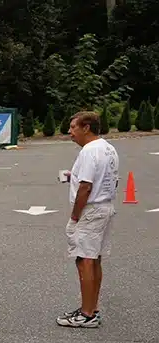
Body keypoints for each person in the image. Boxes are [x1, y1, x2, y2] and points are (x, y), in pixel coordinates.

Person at [56, 110, 120, 328]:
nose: (70, 132)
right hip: (105, 206)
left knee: (84, 260)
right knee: (94, 258)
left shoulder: (89, 151)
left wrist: (75, 216)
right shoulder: (108, 148)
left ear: (86, 128)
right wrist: (71, 177)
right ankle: (92, 308)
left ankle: (87, 314)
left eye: (73, 127)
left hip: (90, 210)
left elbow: (86, 186)